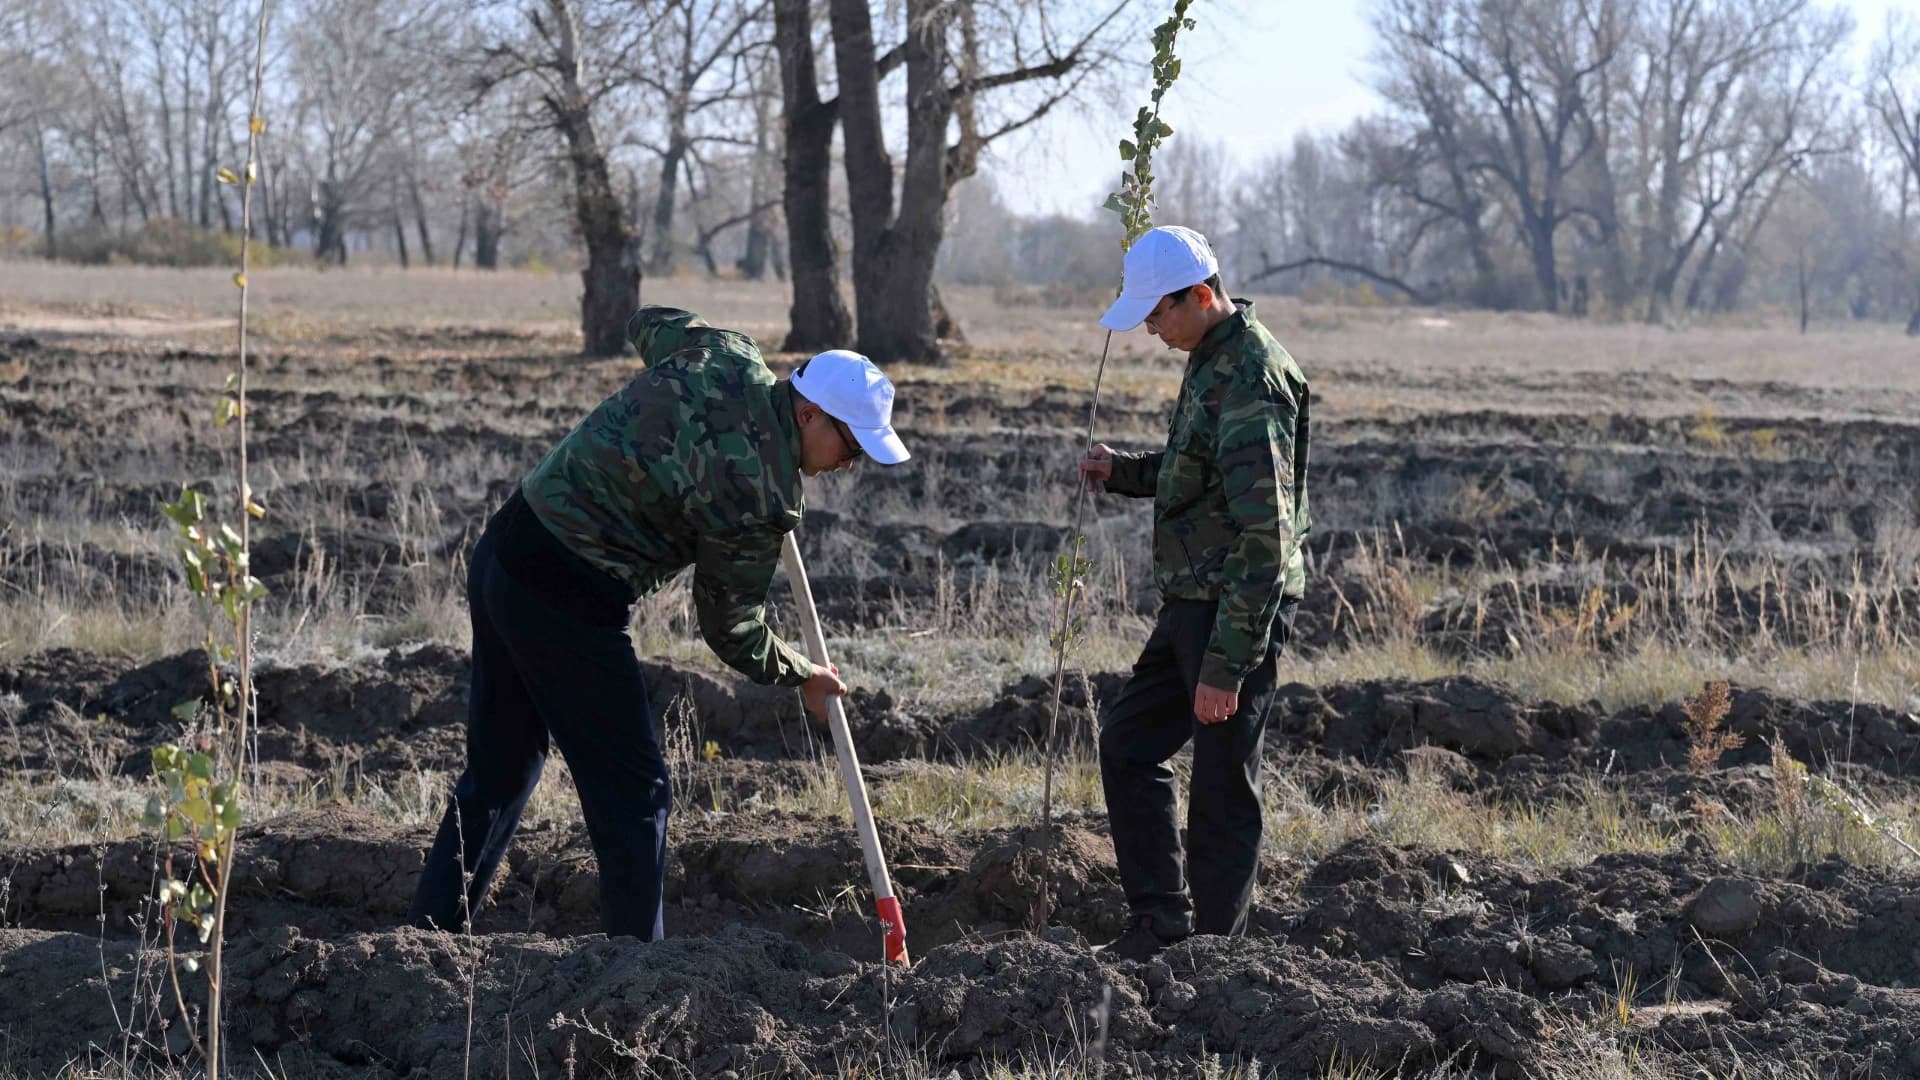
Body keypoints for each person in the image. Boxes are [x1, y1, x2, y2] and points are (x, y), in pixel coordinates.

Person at [408, 306, 910, 939]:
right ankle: (635, 974)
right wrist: (802, 673)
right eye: (852, 444)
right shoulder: (760, 494)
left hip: (508, 546)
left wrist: (669, 406)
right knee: (635, 792)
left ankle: (425, 940)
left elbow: (644, 322)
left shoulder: (727, 352)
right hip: (568, 594)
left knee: (503, 768)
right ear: (808, 414)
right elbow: (731, 627)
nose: (851, 463)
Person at [1077, 226, 1312, 961]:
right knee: (1128, 745)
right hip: (1193, 601)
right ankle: (1160, 923)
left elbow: (1267, 537)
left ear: (1201, 296)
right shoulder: (1210, 357)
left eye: (1157, 313)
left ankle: (1216, 960)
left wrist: (1225, 666)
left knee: (1220, 787)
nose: (1149, 328)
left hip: (1231, 611)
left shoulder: (1249, 377)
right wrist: (1125, 471)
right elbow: (1199, 472)